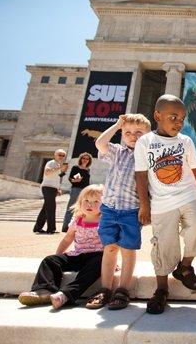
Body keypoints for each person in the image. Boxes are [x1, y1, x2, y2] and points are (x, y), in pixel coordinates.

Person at [135, 94, 196, 315]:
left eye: (182, 118)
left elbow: (195, 170)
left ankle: (185, 267)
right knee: (163, 245)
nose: (179, 122)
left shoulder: (186, 141)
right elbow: (141, 175)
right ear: (157, 115)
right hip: (161, 202)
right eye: (173, 117)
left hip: (188, 195)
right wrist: (144, 205)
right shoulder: (145, 142)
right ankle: (161, 289)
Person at [85, 114, 151, 311]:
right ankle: (105, 289)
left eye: (139, 133)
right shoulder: (117, 151)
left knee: (128, 250)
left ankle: (122, 290)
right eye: (128, 132)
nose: (133, 136)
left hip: (131, 210)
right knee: (110, 248)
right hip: (110, 209)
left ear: (148, 135)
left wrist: (148, 209)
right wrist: (116, 125)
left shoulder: (148, 156)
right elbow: (100, 143)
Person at [19, 184, 104, 310]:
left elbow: (111, 243)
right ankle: (44, 290)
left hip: (98, 256)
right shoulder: (77, 220)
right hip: (79, 254)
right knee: (50, 260)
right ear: (80, 202)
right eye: (86, 200)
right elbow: (68, 238)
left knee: (97, 263)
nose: (89, 205)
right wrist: (58, 256)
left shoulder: (105, 220)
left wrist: (111, 262)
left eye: (96, 201)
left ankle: (66, 294)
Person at [33, 149, 69, 234]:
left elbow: (57, 177)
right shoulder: (51, 163)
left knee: (45, 208)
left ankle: (37, 228)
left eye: (63, 155)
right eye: (59, 155)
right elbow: (47, 173)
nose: (61, 157)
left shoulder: (58, 165)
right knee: (51, 208)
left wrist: (63, 171)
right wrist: (60, 168)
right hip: (47, 187)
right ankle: (51, 228)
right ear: (55, 155)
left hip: (53, 188)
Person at [61, 152, 92, 232]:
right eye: (83, 158)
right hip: (76, 189)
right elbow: (70, 178)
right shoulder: (75, 167)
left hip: (84, 191)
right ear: (80, 159)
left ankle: (79, 226)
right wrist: (75, 180)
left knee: (83, 209)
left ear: (89, 160)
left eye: (87, 159)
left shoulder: (88, 170)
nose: (85, 160)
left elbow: (87, 182)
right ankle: (65, 227)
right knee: (71, 208)